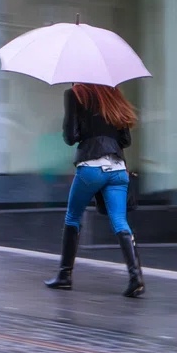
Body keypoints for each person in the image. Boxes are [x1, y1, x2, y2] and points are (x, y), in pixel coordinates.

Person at [45, 83, 145, 298]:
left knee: (73, 217)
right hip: (118, 170)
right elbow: (125, 140)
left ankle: (65, 276)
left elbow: (71, 136)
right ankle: (136, 278)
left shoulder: (75, 94)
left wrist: (83, 126)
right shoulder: (113, 93)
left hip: (91, 168)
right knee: (120, 221)